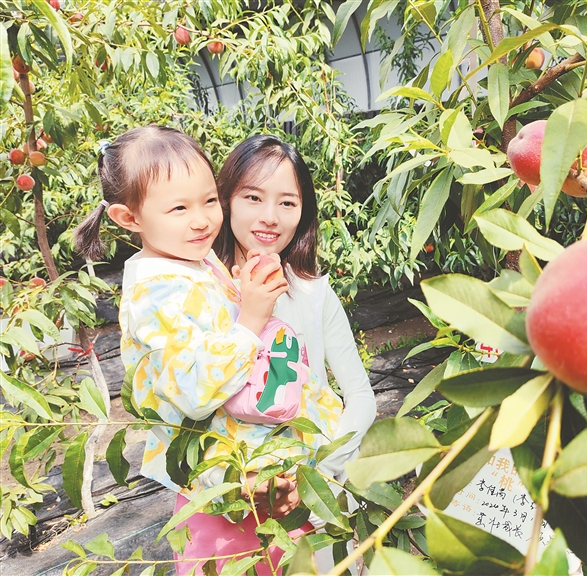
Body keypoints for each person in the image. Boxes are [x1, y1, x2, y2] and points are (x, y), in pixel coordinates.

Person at [73, 126, 320, 576]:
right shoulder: (156, 294)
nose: (202, 220)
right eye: (179, 208)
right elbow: (193, 391)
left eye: (209, 201)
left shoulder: (193, 262)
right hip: (226, 484)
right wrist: (251, 317)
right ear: (128, 218)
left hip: (257, 472)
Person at [214, 135, 377, 571]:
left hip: (318, 496)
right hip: (236, 500)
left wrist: (317, 476)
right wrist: (235, 481)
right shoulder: (202, 295)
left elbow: (360, 396)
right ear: (225, 199)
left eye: (287, 202)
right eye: (253, 197)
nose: (270, 217)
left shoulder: (312, 292)